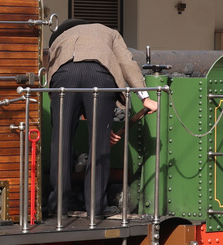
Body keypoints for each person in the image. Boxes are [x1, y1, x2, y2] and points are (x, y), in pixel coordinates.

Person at [45, 19, 160, 219]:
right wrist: (145, 97)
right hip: (99, 75)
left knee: (60, 142)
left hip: (64, 77)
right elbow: (126, 62)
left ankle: (57, 206)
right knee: (99, 145)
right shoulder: (109, 32)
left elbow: (51, 67)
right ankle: (95, 208)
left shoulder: (61, 37)